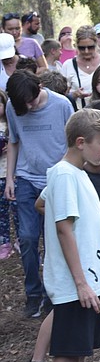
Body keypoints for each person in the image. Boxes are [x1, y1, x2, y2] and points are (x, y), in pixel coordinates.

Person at [40, 108, 100, 362]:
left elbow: (42, 202)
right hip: (77, 284)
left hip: (89, 280)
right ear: (80, 142)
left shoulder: (74, 174)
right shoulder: (63, 174)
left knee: (79, 354)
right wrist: (80, 282)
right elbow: (63, 228)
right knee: (66, 357)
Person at [5, 70, 74, 317]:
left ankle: (53, 294)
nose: (30, 107)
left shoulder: (62, 104)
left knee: (53, 239)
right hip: (26, 177)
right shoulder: (14, 107)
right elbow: (14, 142)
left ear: (40, 87)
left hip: (55, 179)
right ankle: (33, 293)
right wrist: (10, 178)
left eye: (32, 101)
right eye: (24, 105)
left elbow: (73, 143)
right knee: (27, 237)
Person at [61, 25, 100, 110]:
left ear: (96, 44)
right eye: (82, 48)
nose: (86, 51)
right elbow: (61, 97)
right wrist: (74, 95)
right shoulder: (68, 65)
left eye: (90, 47)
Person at [0, 89, 17, 260]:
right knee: (1, 213)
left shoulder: (10, 124)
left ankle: (20, 239)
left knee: (17, 210)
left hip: (9, 173)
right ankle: (4, 242)